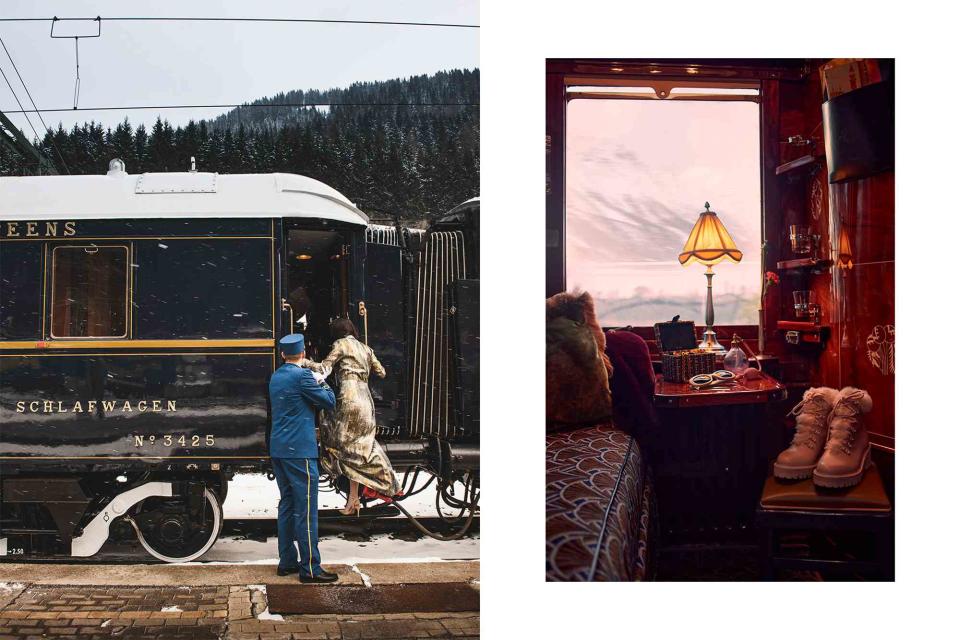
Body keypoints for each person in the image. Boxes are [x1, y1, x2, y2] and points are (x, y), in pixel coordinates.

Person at [269, 333, 338, 584]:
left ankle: (286, 561)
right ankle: (310, 568)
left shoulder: (276, 377)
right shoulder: (303, 376)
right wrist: (323, 380)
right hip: (299, 452)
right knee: (306, 509)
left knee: (287, 505)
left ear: (283, 354)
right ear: (303, 354)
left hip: (279, 449)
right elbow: (329, 402)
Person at [319, 318, 401, 515]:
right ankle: (353, 501)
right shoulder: (366, 348)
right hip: (366, 400)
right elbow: (381, 372)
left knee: (340, 444)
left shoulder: (340, 344)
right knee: (358, 448)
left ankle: (388, 482)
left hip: (349, 397)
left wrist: (301, 362)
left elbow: (324, 367)